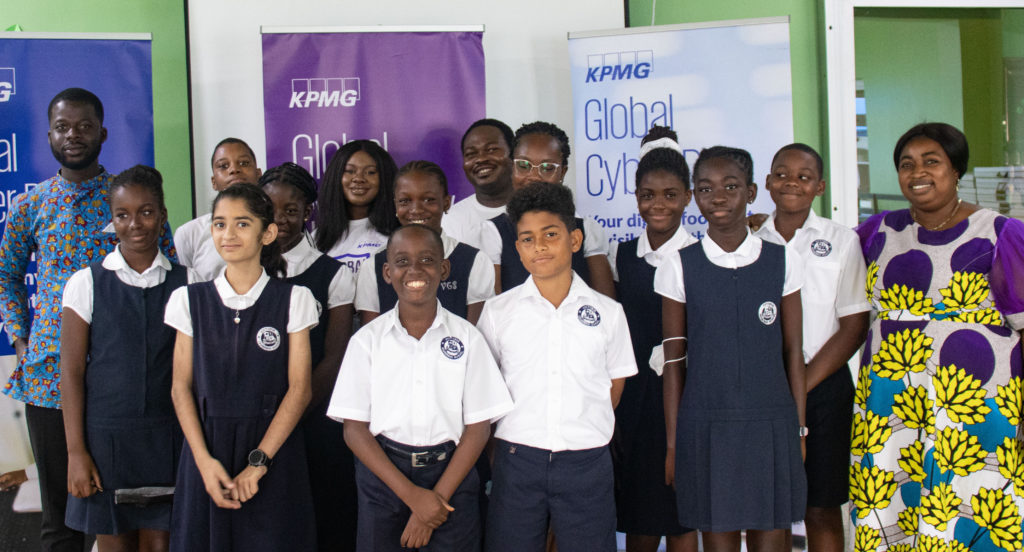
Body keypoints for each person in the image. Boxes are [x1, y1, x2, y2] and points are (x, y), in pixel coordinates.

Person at [0, 87, 176, 552]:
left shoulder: (128, 197)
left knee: (126, 516)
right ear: (49, 135)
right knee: (62, 517)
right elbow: (6, 275)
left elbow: (169, 270)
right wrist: (21, 340)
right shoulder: (31, 205)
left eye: (83, 126)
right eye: (62, 127)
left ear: (103, 133)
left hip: (124, 385)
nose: (73, 135)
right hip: (50, 382)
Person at [850, 123, 1024, 551]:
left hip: (977, 404)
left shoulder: (1000, 233)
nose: (918, 173)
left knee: (973, 509)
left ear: (956, 169)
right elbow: (816, 268)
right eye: (906, 164)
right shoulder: (875, 232)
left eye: (932, 162)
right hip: (890, 406)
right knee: (891, 510)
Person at [656, 146, 807, 552]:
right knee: (717, 539)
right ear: (694, 196)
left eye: (730, 186)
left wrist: (799, 428)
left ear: (751, 192)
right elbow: (673, 362)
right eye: (706, 189)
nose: (718, 197)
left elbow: (794, 353)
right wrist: (673, 443)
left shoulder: (782, 260)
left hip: (771, 422)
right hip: (706, 424)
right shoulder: (678, 265)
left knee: (771, 537)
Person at [328, 224, 513, 551]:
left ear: (444, 269)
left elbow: (478, 428)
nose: (414, 270)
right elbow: (354, 430)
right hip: (384, 479)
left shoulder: (468, 338)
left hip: (451, 475)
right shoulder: (366, 342)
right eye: (402, 261)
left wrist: (436, 499)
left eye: (427, 260)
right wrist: (414, 497)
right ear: (387, 273)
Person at [477, 182, 637, 552]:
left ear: (575, 240)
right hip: (517, 459)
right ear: (518, 249)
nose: (540, 246)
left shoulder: (608, 313)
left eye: (550, 234)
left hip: (586, 461)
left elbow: (613, 386)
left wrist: (580, 426)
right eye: (528, 239)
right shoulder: (498, 312)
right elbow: (487, 386)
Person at [165, 183, 317, 551]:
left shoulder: (294, 299)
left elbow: (300, 389)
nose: (228, 234)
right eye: (220, 224)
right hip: (206, 451)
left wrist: (259, 462)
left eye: (242, 224)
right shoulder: (188, 300)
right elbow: (180, 388)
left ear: (268, 233)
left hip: (272, 451)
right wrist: (204, 462)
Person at [60, 166, 191, 551]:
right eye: (123, 215)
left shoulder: (189, 282)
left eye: (146, 212)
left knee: (161, 545)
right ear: (112, 220)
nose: (135, 224)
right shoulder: (86, 282)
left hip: (169, 439)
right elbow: (71, 373)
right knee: (115, 545)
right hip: (106, 444)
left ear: (162, 215)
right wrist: (76, 452)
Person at [753, 144, 869, 552]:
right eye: (782, 174)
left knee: (821, 506)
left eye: (804, 177)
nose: (791, 183)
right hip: (763, 389)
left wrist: (800, 384)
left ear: (819, 187)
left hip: (824, 386)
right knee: (768, 508)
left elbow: (854, 326)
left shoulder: (842, 241)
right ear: (767, 183)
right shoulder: (748, 239)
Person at [259, 163, 358, 551]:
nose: (281, 219)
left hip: (314, 418)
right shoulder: (245, 271)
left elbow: (334, 356)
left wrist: (291, 413)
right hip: (259, 419)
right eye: (271, 209)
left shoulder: (332, 274)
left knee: (325, 517)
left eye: (291, 210)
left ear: (308, 212)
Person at [607, 127, 697, 552]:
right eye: (647, 195)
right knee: (641, 514)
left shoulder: (701, 255)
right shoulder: (623, 255)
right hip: (636, 399)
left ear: (688, 197)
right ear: (636, 197)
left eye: (670, 195)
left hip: (687, 397)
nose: (658, 204)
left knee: (683, 516)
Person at [478, 121, 615, 297]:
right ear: (512, 167)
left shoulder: (586, 229)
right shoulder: (494, 232)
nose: (534, 176)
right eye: (524, 165)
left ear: (562, 172)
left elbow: (604, 303)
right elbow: (494, 307)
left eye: (547, 168)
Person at [355, 161, 494, 325]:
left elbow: (476, 333)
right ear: (395, 205)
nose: (416, 209)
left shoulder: (474, 261)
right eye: (405, 201)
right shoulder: (373, 266)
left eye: (428, 200)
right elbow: (371, 333)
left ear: (447, 203)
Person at [175, 138, 263, 281]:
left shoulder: (274, 227)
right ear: (214, 182)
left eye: (244, 163)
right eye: (223, 166)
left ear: (258, 174)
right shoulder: (189, 234)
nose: (234, 170)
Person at [314, 140, 400, 275]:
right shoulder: (316, 239)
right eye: (350, 171)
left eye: (370, 172)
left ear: (385, 178)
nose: (359, 178)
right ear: (336, 176)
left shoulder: (400, 235)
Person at [441, 119, 516, 249]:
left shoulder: (537, 211)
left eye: (491, 149)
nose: (481, 159)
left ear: (513, 154)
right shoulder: (451, 220)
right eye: (471, 154)